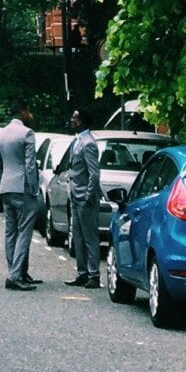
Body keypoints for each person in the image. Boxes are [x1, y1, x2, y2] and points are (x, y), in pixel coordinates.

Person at [0, 102, 42, 291]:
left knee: (10, 232)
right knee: (24, 232)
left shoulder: (2, 134)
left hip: (6, 186)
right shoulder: (27, 133)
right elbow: (30, 165)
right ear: (23, 112)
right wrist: (33, 188)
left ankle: (16, 271)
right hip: (23, 187)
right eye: (28, 111)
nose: (30, 115)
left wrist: (2, 183)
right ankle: (15, 275)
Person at [63, 112, 102, 287]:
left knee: (89, 237)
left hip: (84, 197)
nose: (72, 120)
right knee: (77, 236)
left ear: (81, 121)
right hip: (75, 195)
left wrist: (88, 196)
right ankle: (82, 272)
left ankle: (94, 275)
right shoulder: (77, 140)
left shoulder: (89, 143)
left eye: (75, 118)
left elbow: (94, 173)